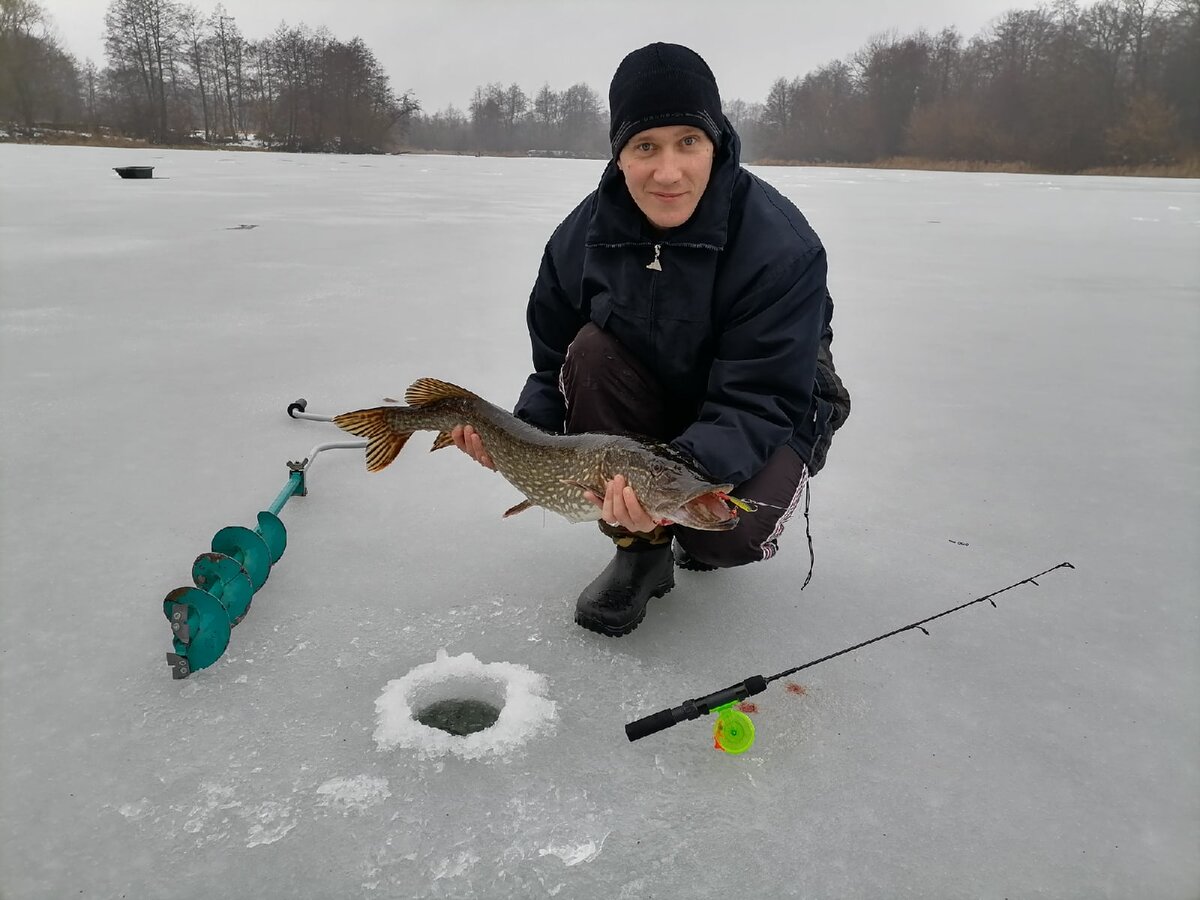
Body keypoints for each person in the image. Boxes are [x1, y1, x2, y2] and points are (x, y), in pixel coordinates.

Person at [452, 42, 850, 637]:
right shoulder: (580, 238)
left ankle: (679, 530)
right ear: (619, 156)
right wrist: (524, 437)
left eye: (688, 141)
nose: (668, 172)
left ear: (716, 142)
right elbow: (554, 366)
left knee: (726, 533)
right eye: (646, 147)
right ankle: (641, 555)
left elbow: (764, 394)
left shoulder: (780, 245)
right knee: (588, 353)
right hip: (647, 400)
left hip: (770, 409)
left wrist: (676, 477)